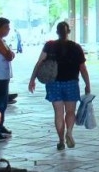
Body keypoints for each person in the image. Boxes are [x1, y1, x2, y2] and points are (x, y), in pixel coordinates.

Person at [28, 21, 90, 151]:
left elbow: (39, 62)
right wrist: (87, 84)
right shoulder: (76, 47)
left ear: (57, 32)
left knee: (58, 113)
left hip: (53, 83)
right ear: (68, 32)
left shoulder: (49, 46)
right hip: (71, 82)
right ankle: (69, 132)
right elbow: (82, 68)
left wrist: (32, 79)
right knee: (70, 112)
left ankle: (61, 140)